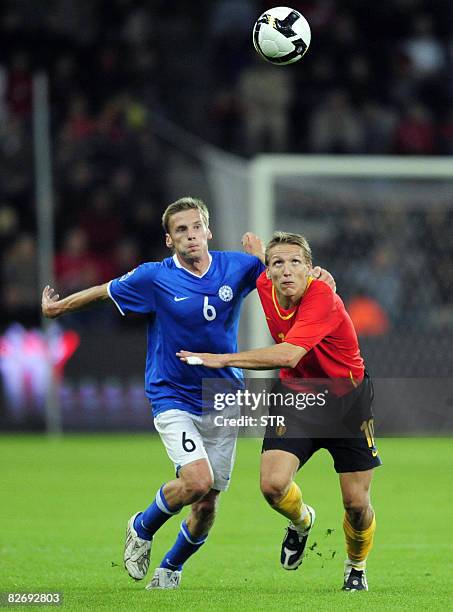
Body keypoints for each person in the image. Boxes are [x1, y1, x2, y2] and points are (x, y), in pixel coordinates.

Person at [41, 199, 334, 590]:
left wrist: (319, 278)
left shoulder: (238, 266)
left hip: (224, 395)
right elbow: (104, 292)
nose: (191, 236)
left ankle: (170, 569)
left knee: (207, 504)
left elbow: (285, 274)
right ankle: (141, 526)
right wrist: (59, 308)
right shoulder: (153, 278)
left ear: (208, 231)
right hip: (172, 394)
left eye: (197, 227)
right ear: (169, 239)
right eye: (181, 230)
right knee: (196, 480)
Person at [178, 231, 381, 592]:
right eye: (278, 264)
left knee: (355, 503)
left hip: (346, 402)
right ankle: (303, 521)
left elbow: (288, 354)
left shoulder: (323, 298)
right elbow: (260, 259)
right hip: (297, 396)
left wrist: (222, 359)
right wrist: (258, 252)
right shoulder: (266, 282)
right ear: (269, 272)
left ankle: (356, 565)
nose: (286, 271)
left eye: (295, 263)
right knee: (272, 485)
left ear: (310, 269)